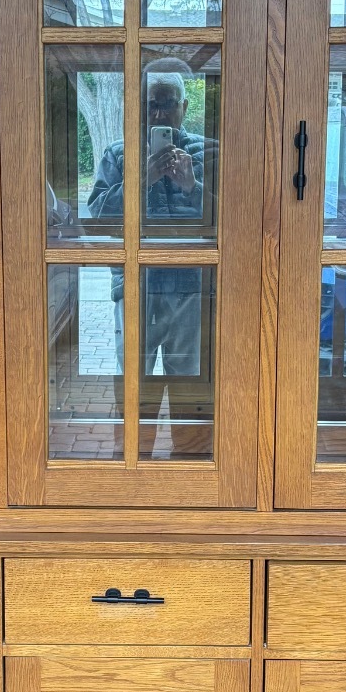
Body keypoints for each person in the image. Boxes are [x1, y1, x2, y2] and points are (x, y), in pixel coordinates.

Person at [86, 63, 217, 456]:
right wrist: (141, 179)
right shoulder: (119, 154)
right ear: (139, 108)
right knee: (133, 382)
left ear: (184, 107)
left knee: (188, 384)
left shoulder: (210, 152)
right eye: (151, 105)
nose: (159, 113)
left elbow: (235, 220)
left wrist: (192, 186)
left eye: (168, 103)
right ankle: (132, 460)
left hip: (192, 289)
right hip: (135, 285)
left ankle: (188, 461)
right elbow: (98, 218)